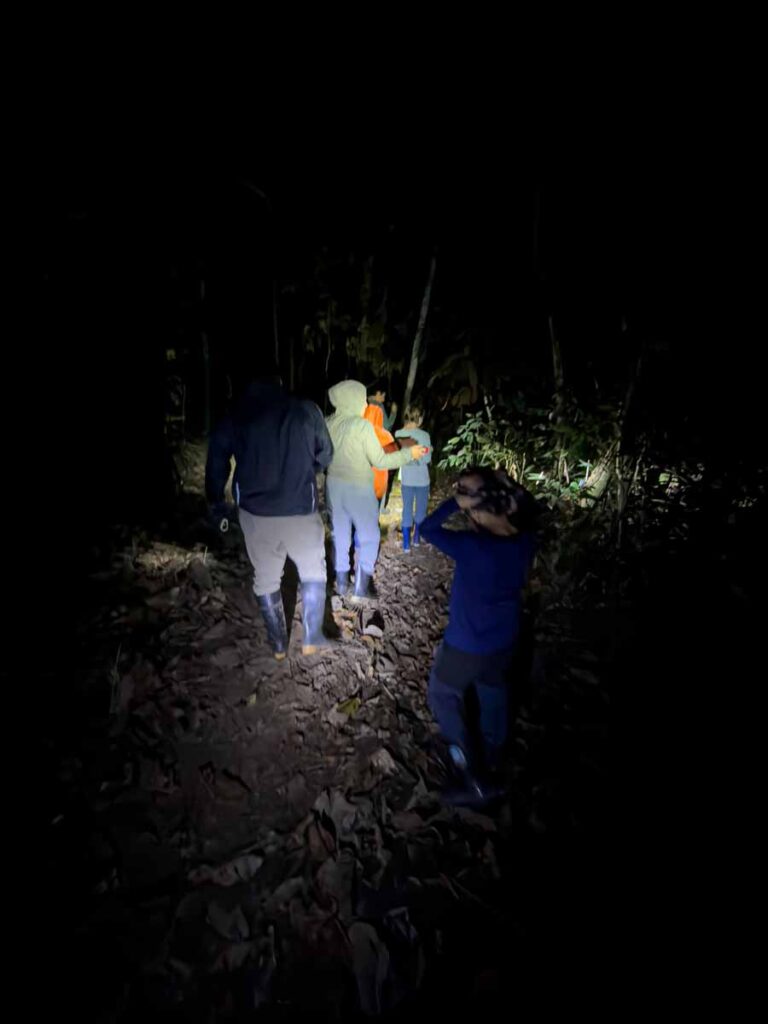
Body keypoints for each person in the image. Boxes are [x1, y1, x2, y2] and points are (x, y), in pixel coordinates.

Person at [419, 467, 538, 804]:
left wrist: (454, 503)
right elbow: (526, 509)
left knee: (442, 694)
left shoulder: (473, 546)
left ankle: (471, 775)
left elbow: (427, 529)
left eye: (471, 506)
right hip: (504, 643)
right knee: (493, 694)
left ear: (483, 511)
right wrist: (503, 489)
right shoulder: (526, 540)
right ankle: (493, 759)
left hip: (464, 646)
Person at [205, 368, 334, 658]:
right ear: (280, 384)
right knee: (313, 571)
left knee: (266, 577)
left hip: (255, 514)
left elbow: (216, 461)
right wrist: (305, 470)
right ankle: (312, 639)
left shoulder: (236, 415)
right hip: (301, 509)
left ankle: (278, 646)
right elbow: (326, 454)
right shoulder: (305, 410)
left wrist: (216, 502)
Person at [325, 380, 428, 601]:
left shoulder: (329, 422)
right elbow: (380, 461)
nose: (365, 403)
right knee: (370, 535)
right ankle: (361, 587)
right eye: (362, 399)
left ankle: (341, 583)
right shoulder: (361, 426)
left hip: (333, 486)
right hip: (359, 487)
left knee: (341, 533)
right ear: (352, 400)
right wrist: (410, 454)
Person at [395, 406, 432, 552]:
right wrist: (424, 453)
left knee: (407, 509)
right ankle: (416, 537)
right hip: (422, 479)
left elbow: (399, 457)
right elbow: (427, 458)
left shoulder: (399, 433)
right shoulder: (424, 436)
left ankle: (406, 544)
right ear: (419, 418)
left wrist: (409, 458)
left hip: (407, 479)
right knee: (421, 509)